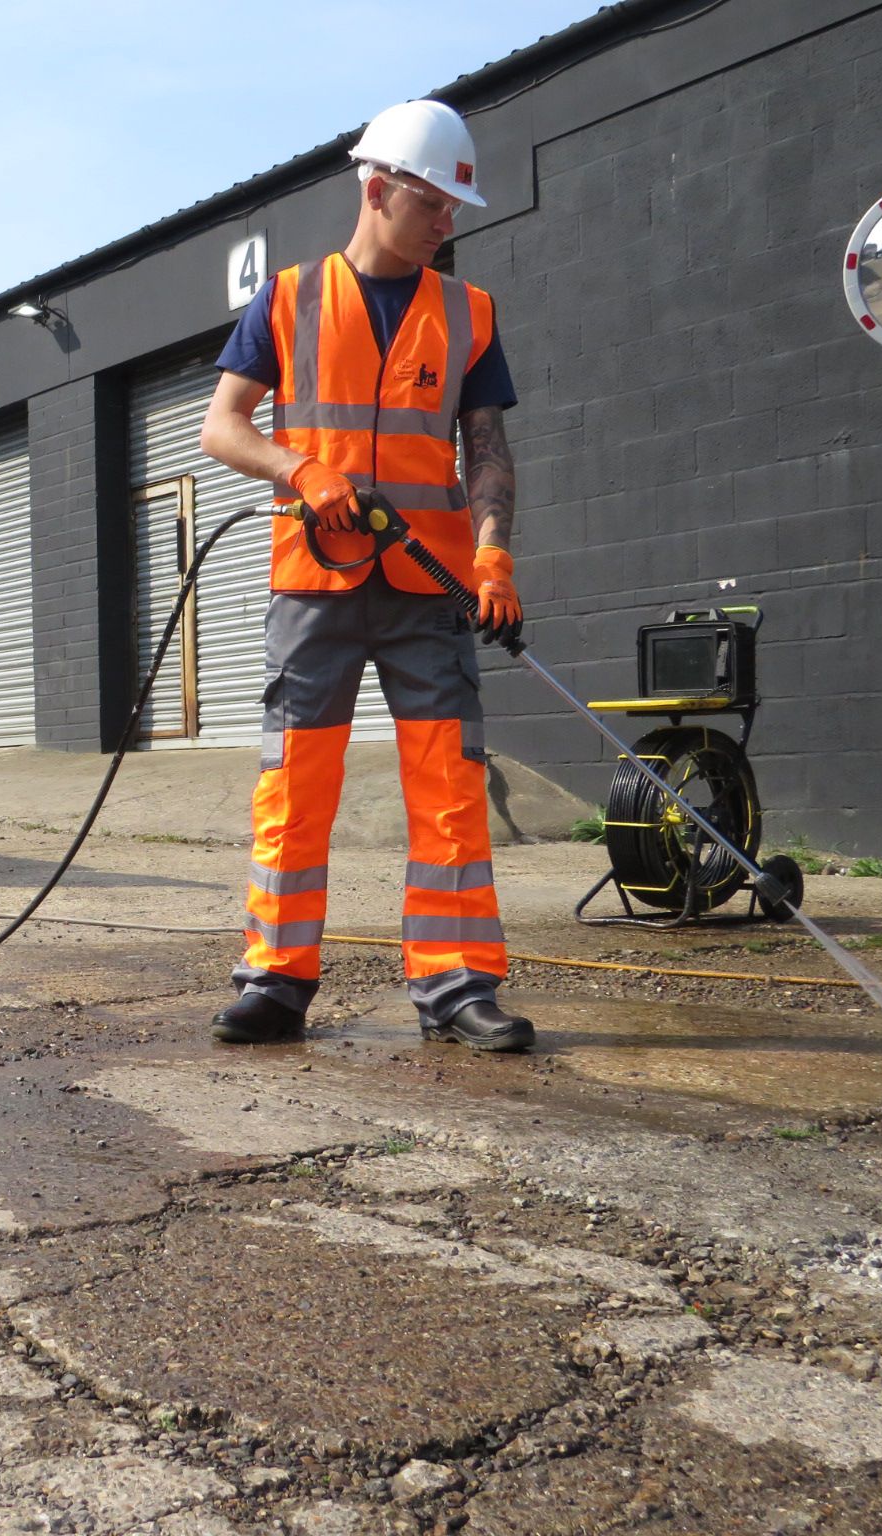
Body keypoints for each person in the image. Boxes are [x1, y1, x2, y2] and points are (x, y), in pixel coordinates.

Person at [197, 98, 531, 1053]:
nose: (448, 220)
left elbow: (489, 450)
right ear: (378, 190)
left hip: (431, 593)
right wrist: (300, 469)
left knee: (450, 786)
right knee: (295, 784)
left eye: (454, 207)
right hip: (316, 582)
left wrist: (495, 554)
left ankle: (458, 984)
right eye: (434, 203)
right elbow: (223, 427)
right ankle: (275, 980)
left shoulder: (468, 314)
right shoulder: (290, 298)